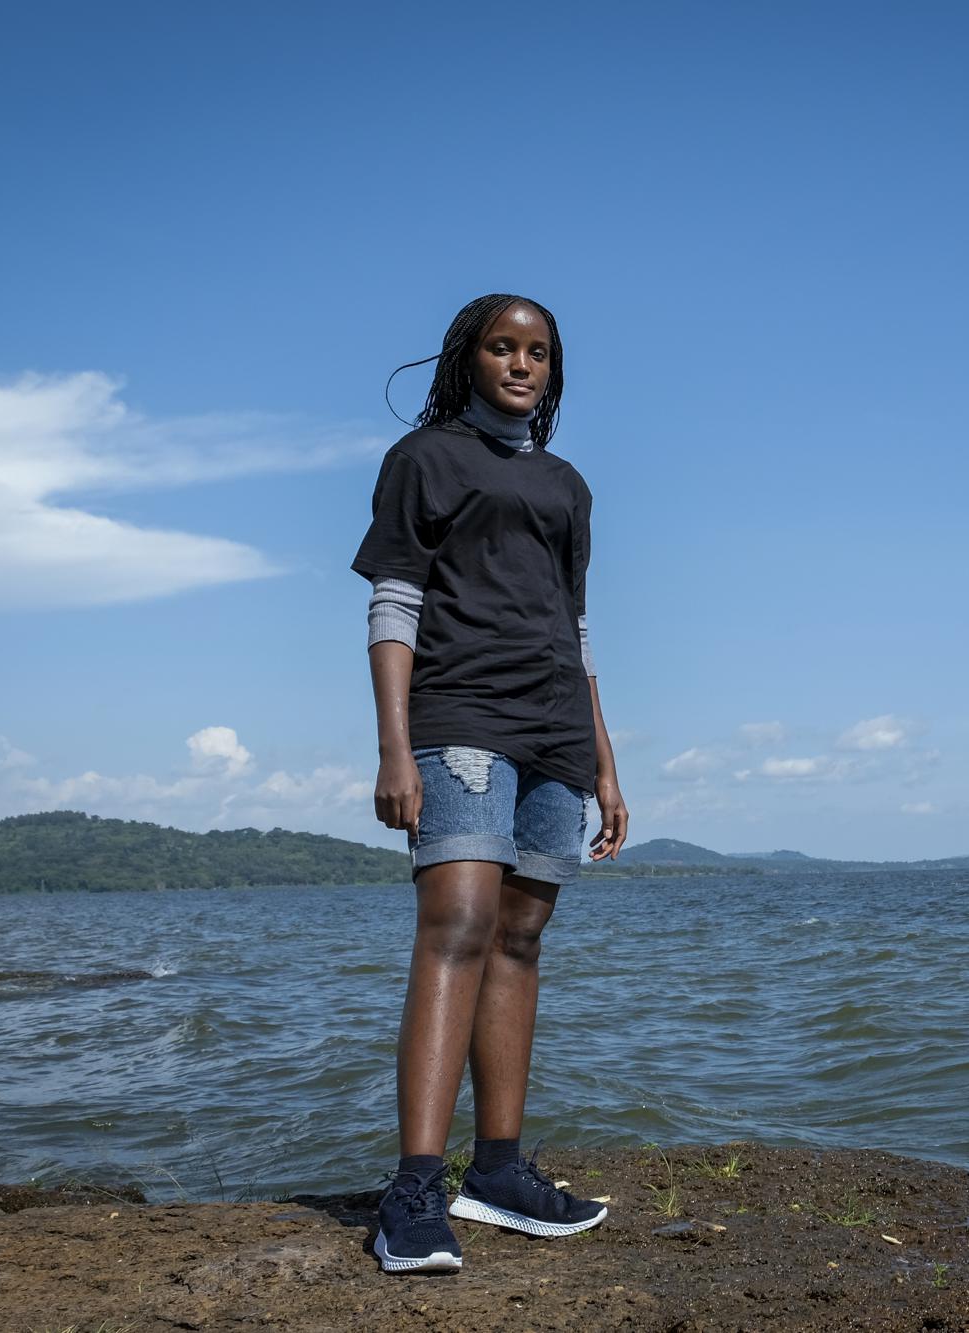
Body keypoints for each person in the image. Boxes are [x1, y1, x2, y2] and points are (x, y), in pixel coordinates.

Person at [351, 293, 629, 1274]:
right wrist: (393, 746)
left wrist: (603, 756)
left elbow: (577, 628)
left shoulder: (567, 484)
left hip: (555, 729)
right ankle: (414, 1189)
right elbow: (393, 601)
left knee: (518, 939)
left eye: (538, 352)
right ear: (466, 358)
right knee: (457, 925)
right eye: (502, 347)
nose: (521, 364)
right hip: (459, 717)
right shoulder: (423, 460)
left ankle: (499, 1172)